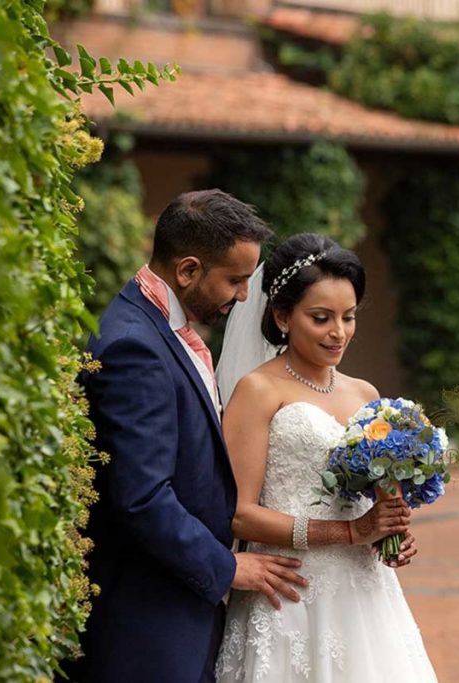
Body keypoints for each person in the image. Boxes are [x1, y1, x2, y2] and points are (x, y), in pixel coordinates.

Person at [68, 190, 309, 683]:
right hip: (147, 624)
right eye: (236, 280)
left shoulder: (159, 328)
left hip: (178, 611)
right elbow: (142, 496)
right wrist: (226, 569)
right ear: (188, 271)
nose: (244, 296)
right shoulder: (135, 345)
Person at [213, 233, 438, 682]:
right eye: (321, 318)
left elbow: (375, 502)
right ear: (282, 317)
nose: (339, 332)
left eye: (348, 317)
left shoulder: (367, 396)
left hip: (365, 594)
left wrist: (389, 532)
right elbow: (239, 515)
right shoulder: (258, 391)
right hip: (290, 591)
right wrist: (351, 530)